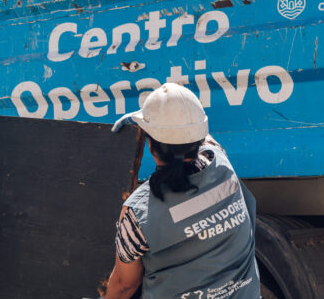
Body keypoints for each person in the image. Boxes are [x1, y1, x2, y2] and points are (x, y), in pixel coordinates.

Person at [107, 83, 261, 299]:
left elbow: (124, 285)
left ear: (150, 146)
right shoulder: (223, 164)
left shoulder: (138, 213)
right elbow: (200, 140)